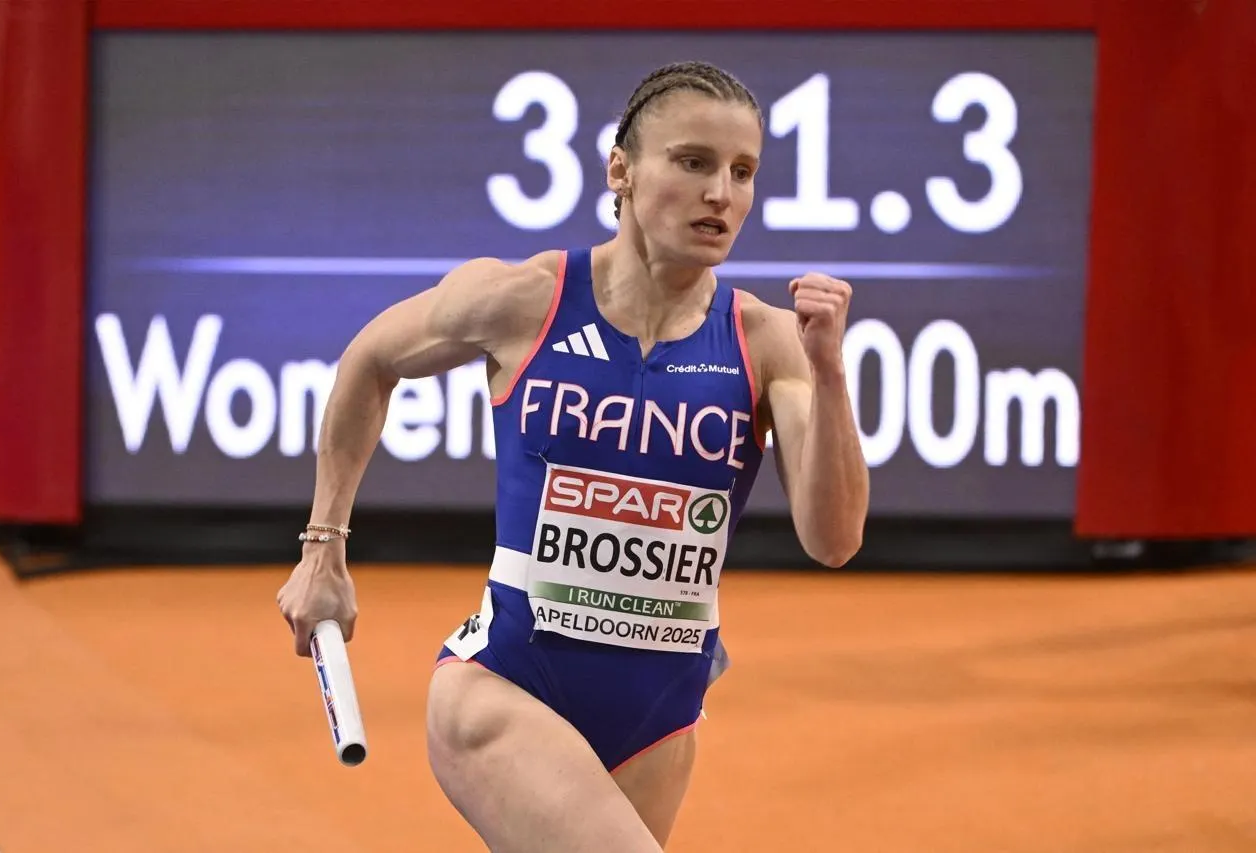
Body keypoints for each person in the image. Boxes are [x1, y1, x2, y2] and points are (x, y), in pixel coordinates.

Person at [277, 60, 870, 851]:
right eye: (693, 162)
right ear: (620, 170)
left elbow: (834, 539)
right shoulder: (526, 298)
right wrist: (323, 548)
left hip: (660, 719)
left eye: (742, 171)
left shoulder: (766, 343)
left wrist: (829, 374)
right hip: (503, 687)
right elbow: (370, 359)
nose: (720, 194)